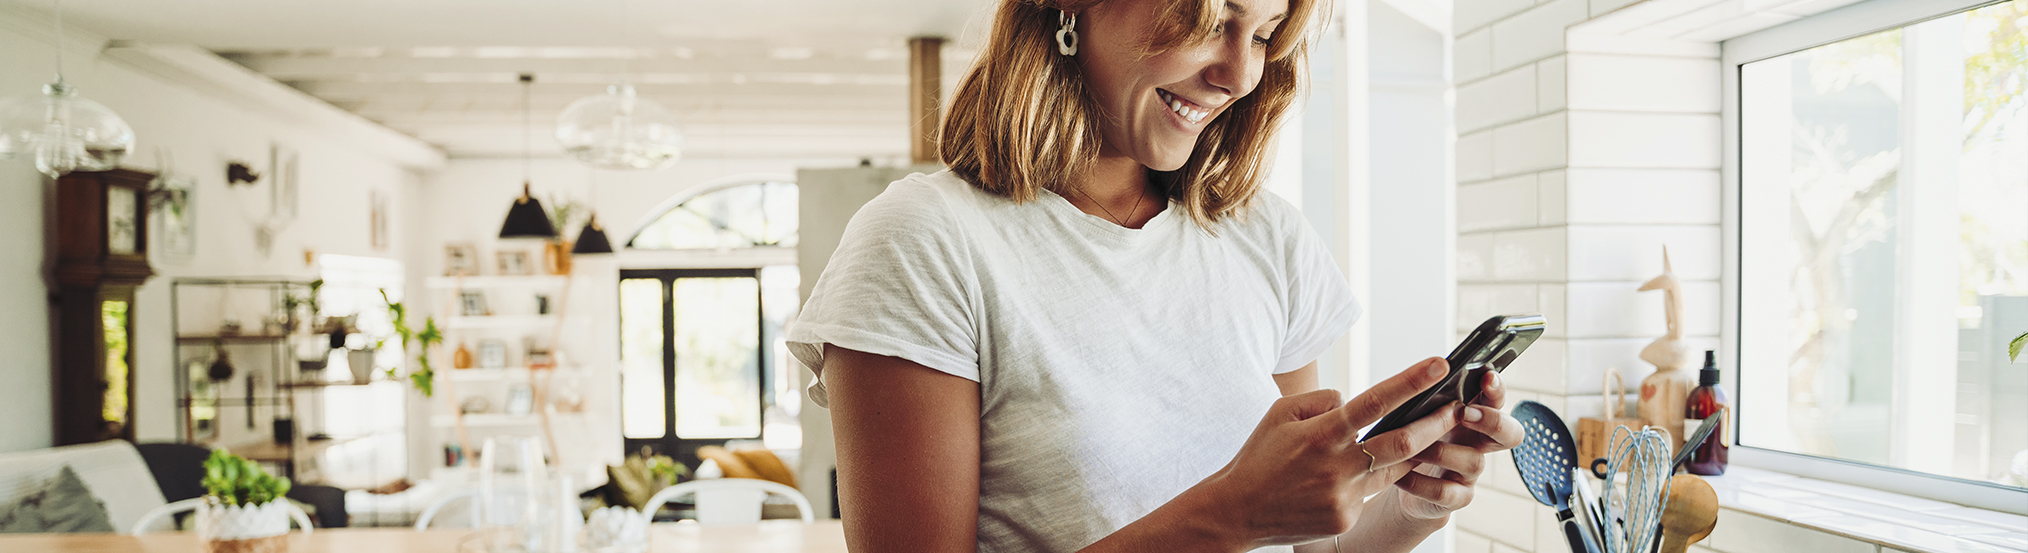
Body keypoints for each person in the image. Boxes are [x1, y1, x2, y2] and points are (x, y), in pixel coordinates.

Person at [785, 0, 1523, 551]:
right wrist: (1229, 512)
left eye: (1263, 34)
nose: (1237, 73)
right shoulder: (925, 242)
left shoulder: (1262, 233)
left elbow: (1316, 542)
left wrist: (1413, 493)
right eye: (1208, 18)